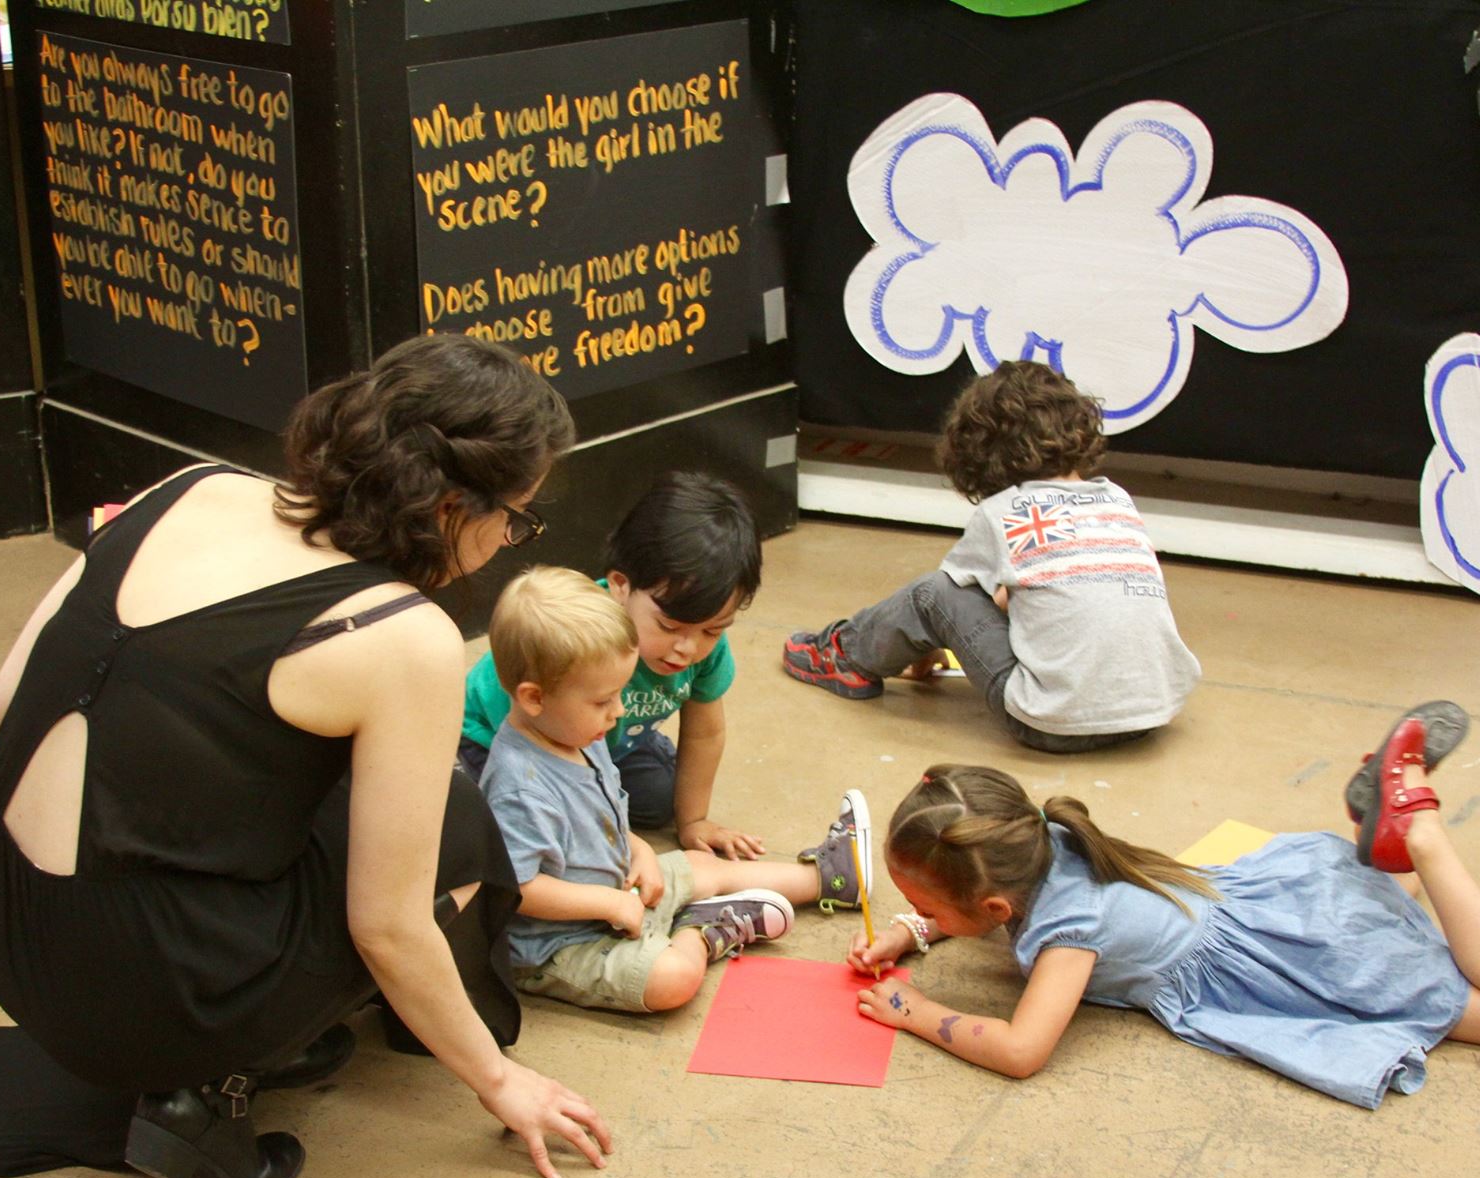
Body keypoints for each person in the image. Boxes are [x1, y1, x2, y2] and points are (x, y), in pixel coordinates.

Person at [0, 334, 612, 1178]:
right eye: (515, 517)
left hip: (6, 924)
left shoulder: (188, 487)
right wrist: (500, 1080)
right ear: (453, 504)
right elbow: (389, 927)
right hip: (152, 1007)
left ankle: (239, 1022)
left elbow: (11, 694)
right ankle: (212, 1082)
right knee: (457, 830)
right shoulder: (402, 635)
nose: (509, 541)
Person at [848, 708, 1480, 1108]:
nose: (916, 912)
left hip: (1289, 964)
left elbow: (1020, 1050)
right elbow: (970, 905)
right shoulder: (1038, 838)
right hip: (1277, 902)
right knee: (1370, 905)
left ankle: (1424, 833)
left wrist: (918, 1015)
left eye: (921, 901)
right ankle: (1383, 840)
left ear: (996, 904)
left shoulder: (1069, 934)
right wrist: (915, 930)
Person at [479, 567, 870, 1014]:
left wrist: (639, 848)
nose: (619, 711)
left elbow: (599, 815)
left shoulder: (574, 734)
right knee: (673, 979)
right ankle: (701, 932)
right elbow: (519, 885)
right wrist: (607, 902)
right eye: (602, 700)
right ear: (534, 698)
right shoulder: (520, 787)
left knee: (701, 864)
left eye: (620, 693)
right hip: (561, 945)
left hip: (619, 894)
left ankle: (830, 876)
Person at [783, 361, 1199, 752]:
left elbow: (947, 599)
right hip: (1150, 714)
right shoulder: (1116, 500)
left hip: (1050, 726)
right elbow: (1052, 588)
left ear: (981, 450)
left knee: (932, 592)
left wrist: (921, 645)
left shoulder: (1005, 512)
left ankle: (846, 655)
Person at [459, 471, 766, 857]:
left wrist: (694, 821)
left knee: (658, 800)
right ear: (621, 586)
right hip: (504, 741)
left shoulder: (702, 649)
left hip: (602, 740)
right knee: (532, 831)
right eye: (669, 625)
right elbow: (541, 746)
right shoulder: (581, 640)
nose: (688, 648)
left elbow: (705, 733)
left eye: (712, 630)